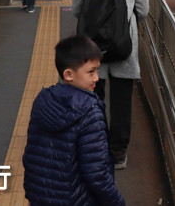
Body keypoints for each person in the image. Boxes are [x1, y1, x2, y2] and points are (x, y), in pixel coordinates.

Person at [71, 0, 148, 170]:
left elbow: (76, 10)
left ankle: (96, 148)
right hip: (124, 47)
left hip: (92, 49)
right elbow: (143, 10)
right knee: (122, 103)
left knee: (93, 99)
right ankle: (118, 153)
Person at [23, 35, 126, 206]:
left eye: (97, 70)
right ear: (69, 74)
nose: (96, 78)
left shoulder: (43, 101)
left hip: (40, 196)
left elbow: (31, 154)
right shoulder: (90, 112)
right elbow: (96, 174)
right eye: (91, 71)